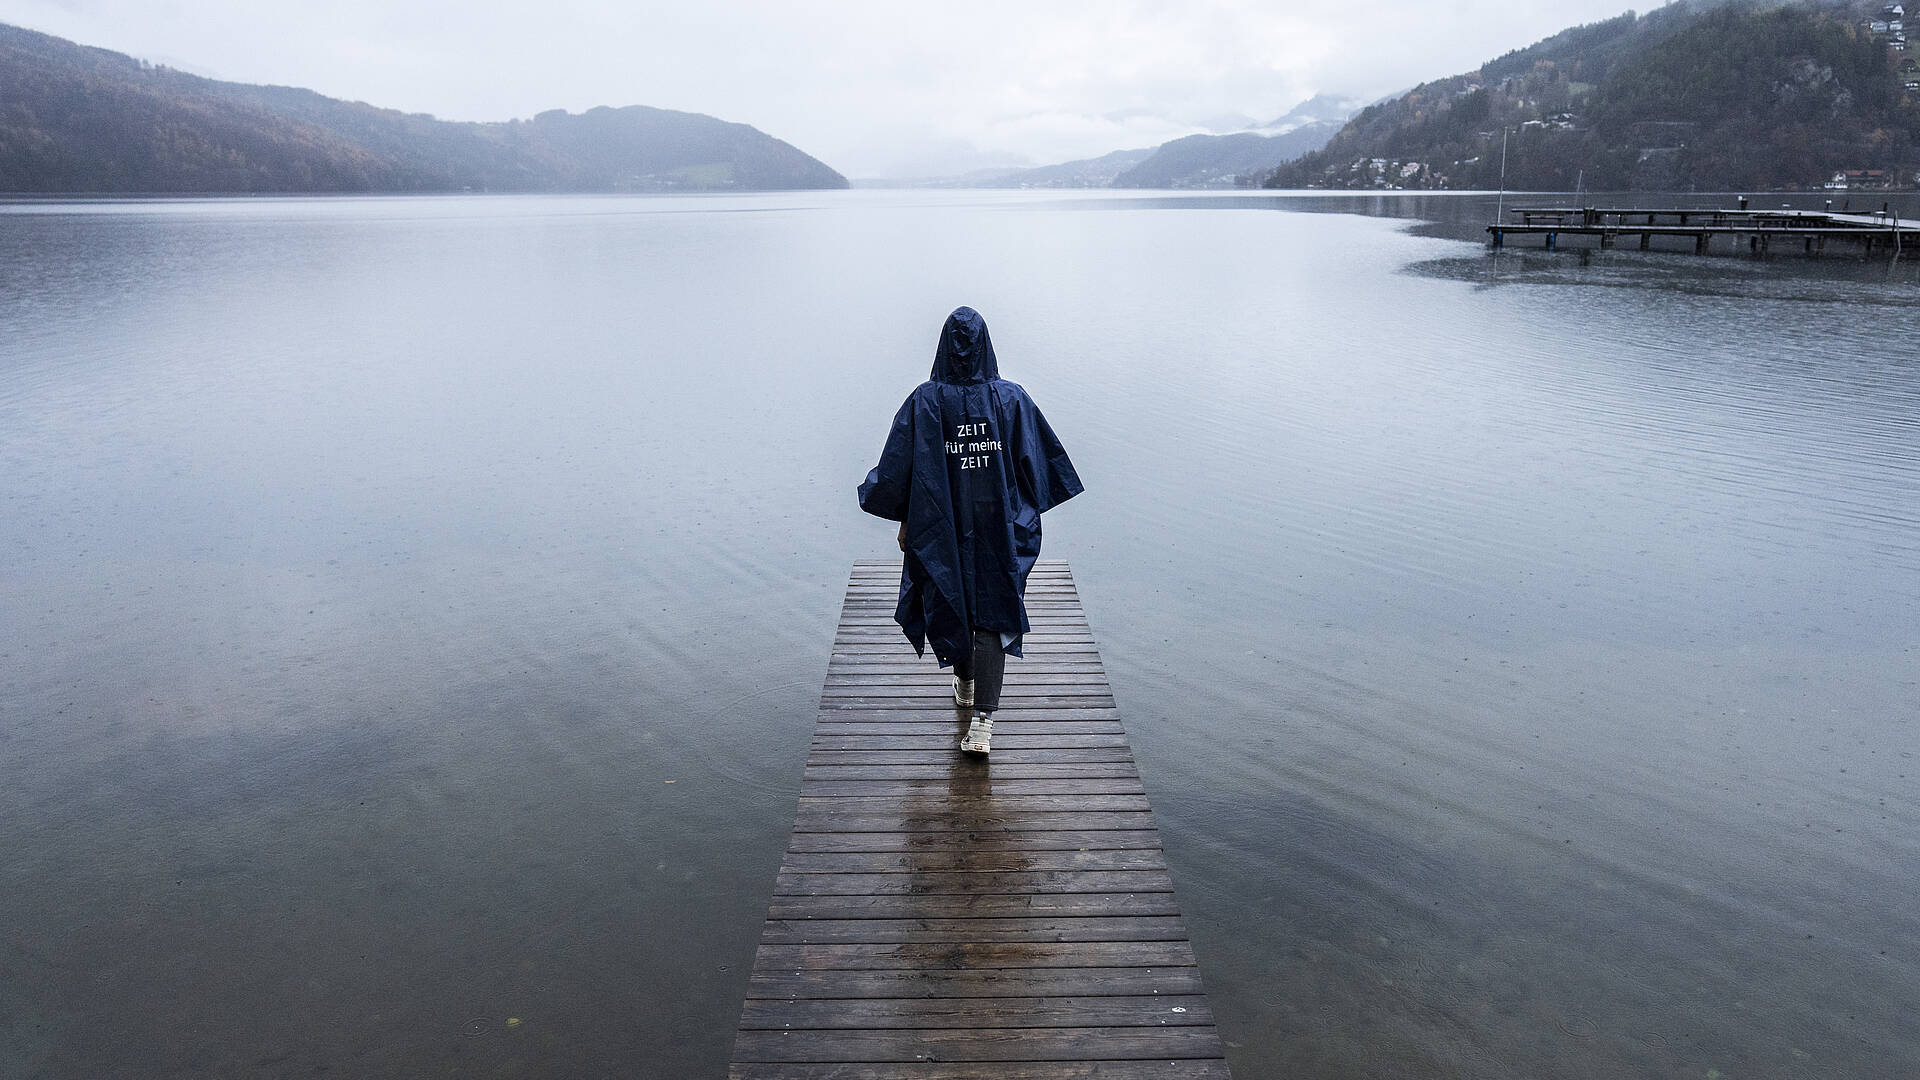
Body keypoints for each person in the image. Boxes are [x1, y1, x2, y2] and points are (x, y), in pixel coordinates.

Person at [857, 306, 1083, 756]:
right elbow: (1040, 466)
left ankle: (970, 693)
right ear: (986, 346)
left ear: (942, 346)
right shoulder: (1011, 399)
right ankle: (980, 718)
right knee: (993, 609)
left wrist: (904, 519)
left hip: (942, 524)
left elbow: (900, 468)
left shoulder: (925, 401)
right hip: (1000, 526)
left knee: (951, 598)